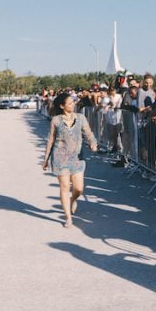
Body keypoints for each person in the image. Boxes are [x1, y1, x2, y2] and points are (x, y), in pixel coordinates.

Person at [43, 93, 98, 228]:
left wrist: (93, 143)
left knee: (79, 189)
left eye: (73, 102)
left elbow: (89, 133)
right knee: (65, 187)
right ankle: (68, 217)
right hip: (60, 157)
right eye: (70, 103)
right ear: (62, 106)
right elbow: (51, 140)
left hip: (77, 158)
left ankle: (73, 200)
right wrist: (46, 159)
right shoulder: (56, 120)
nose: (73, 104)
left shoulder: (80, 118)